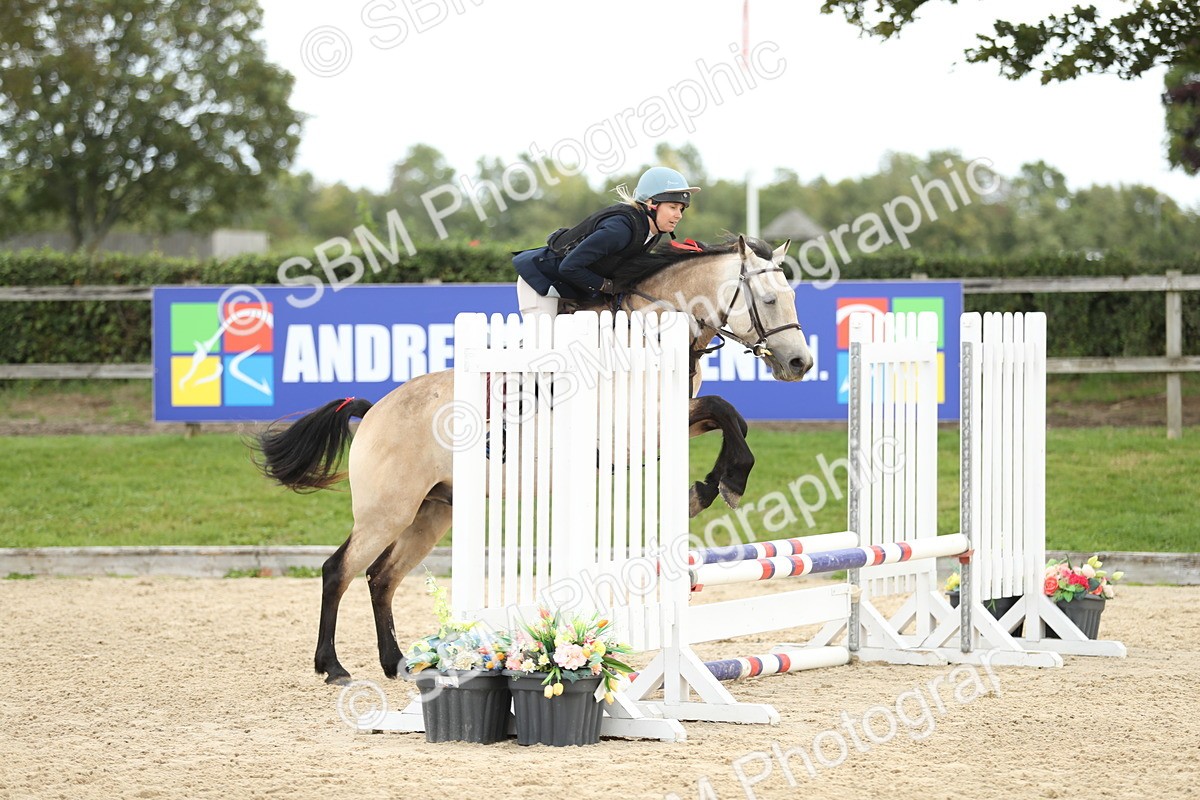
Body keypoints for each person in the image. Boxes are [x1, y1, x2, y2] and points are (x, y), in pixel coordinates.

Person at [512, 166, 701, 317]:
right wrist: (607, 286)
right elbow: (569, 267)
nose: (678, 215)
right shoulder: (619, 230)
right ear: (652, 204)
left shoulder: (652, 231)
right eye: (673, 207)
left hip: (573, 288)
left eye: (681, 209)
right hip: (542, 280)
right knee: (545, 344)